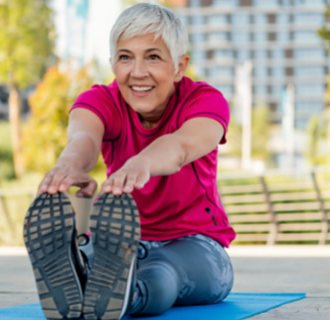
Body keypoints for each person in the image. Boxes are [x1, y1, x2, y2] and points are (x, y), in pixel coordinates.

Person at [23, 3, 235, 320]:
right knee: (99, 260)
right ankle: (80, 275)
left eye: (153, 57)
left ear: (179, 66)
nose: (137, 72)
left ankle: (127, 297)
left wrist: (142, 163)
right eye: (125, 57)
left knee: (164, 272)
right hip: (115, 243)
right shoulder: (99, 100)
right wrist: (70, 165)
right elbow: (84, 138)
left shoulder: (205, 101)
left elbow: (181, 145)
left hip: (195, 244)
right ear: (113, 63)